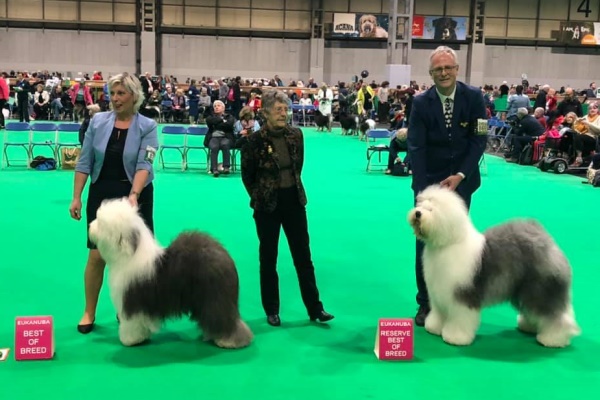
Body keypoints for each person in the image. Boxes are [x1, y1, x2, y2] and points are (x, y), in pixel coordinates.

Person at [69, 72, 159, 334]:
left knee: (135, 258)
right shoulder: (98, 122)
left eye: (121, 93)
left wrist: (134, 194)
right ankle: (89, 311)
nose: (115, 98)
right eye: (113, 93)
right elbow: (85, 160)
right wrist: (77, 196)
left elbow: (145, 163)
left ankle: (129, 310)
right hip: (102, 192)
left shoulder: (147, 126)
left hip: (135, 195)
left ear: (134, 96)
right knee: (97, 255)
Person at [407, 46, 487, 327]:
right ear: (431, 73)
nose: (443, 73)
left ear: (456, 69)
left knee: (458, 243)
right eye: (437, 69)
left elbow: (479, 139)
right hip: (430, 184)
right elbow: (416, 146)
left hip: (462, 183)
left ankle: (457, 299)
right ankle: (426, 302)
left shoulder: (474, 97)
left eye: (447, 68)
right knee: (425, 244)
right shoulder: (420, 103)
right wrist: (423, 193)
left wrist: (461, 175)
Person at [240, 89, 334, 327]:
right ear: (265, 113)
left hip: (294, 200)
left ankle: (315, 308)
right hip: (267, 206)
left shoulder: (296, 135)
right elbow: (247, 175)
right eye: (278, 110)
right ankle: (272, 309)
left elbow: (297, 166)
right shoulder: (253, 141)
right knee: (268, 258)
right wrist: (259, 196)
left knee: (303, 257)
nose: (283, 114)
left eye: (285, 110)